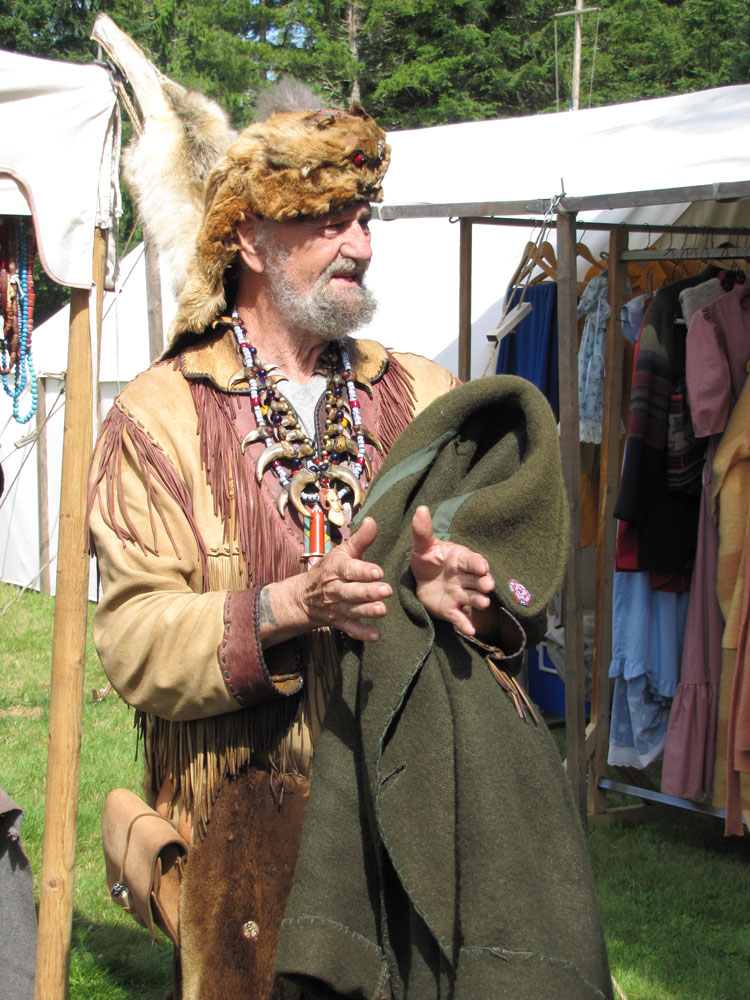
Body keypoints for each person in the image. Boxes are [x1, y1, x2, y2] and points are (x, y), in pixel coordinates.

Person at [87, 96, 519, 998]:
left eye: (364, 217)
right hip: (246, 842)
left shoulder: (426, 394)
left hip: (409, 813)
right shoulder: (160, 415)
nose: (358, 242)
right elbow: (133, 637)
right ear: (249, 239)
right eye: (326, 221)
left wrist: (468, 592)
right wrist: (288, 605)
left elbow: (505, 589)